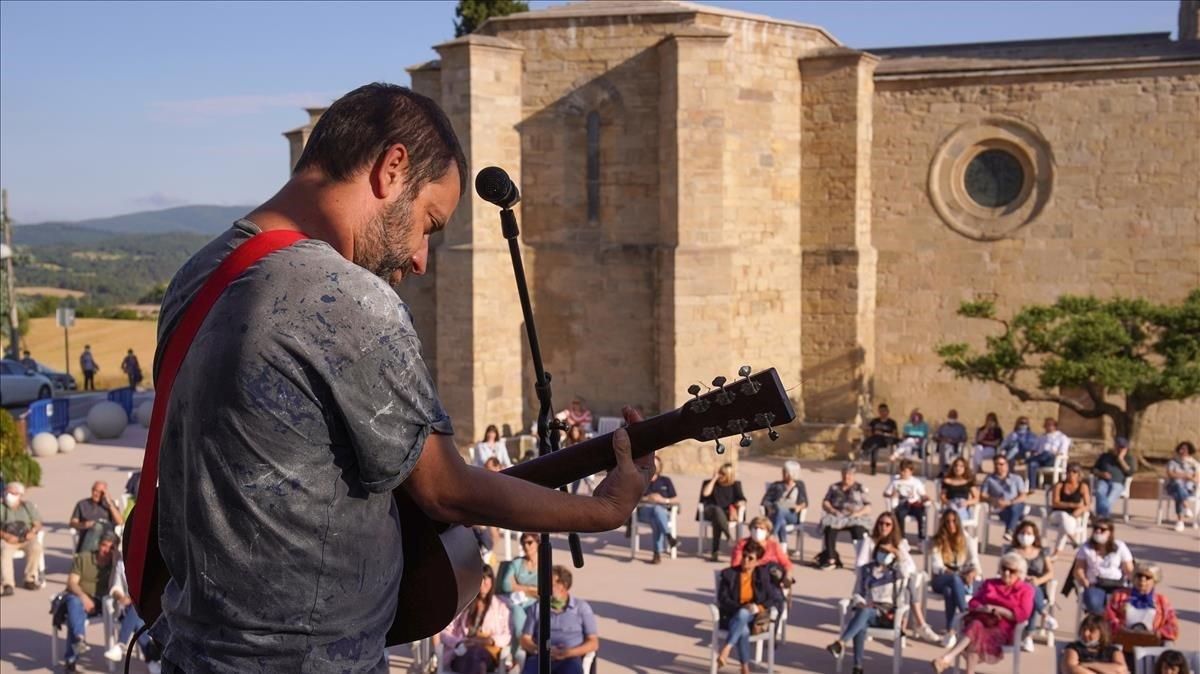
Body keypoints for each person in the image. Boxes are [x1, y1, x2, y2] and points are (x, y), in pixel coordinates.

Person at [143, 83, 653, 673]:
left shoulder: (199, 274)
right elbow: (445, 488)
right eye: (428, 224)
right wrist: (603, 510)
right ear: (392, 168)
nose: (419, 258)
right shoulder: (346, 299)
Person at [931, 552, 1035, 674]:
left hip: (1003, 629)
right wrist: (983, 608)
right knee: (976, 626)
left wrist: (1000, 610)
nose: (1007, 573)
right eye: (1004, 568)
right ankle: (957, 666)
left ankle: (947, 659)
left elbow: (1023, 614)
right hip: (982, 620)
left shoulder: (1026, 590)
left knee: (975, 629)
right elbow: (973, 603)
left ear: (1020, 573)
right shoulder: (990, 583)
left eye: (1011, 570)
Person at [852, 512, 939, 643]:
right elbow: (860, 565)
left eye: (888, 524)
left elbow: (911, 567)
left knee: (908, 579)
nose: (884, 527)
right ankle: (915, 625)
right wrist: (876, 568)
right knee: (908, 582)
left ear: (893, 527)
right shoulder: (870, 541)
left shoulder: (899, 543)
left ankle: (910, 625)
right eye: (881, 523)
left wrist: (895, 551)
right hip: (875, 580)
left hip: (894, 581)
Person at [826, 537, 908, 674]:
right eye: (881, 550)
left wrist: (896, 552)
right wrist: (859, 601)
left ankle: (842, 644)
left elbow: (907, 571)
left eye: (887, 551)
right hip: (866, 609)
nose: (883, 553)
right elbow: (857, 592)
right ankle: (857, 667)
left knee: (863, 615)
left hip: (885, 614)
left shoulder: (895, 572)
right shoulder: (866, 570)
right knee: (862, 616)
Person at [717, 540, 784, 674]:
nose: (745, 560)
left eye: (750, 558)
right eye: (744, 556)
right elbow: (723, 599)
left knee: (744, 617)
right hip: (731, 615)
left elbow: (775, 598)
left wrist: (758, 607)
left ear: (757, 561)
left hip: (754, 617)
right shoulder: (729, 574)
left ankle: (726, 649)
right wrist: (741, 608)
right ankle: (744, 668)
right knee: (743, 627)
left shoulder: (762, 575)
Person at [520, 565, 599, 674]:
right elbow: (525, 639)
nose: (545, 587)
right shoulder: (537, 607)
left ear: (564, 586)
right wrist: (539, 650)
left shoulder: (581, 608)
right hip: (541, 657)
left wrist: (568, 653)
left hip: (570, 658)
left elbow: (593, 642)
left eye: (550, 585)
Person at [62, 532, 119, 672]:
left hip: (101, 601)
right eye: (104, 545)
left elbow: (114, 587)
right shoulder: (83, 558)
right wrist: (83, 597)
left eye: (111, 548)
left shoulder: (115, 563)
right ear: (98, 545)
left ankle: (71, 658)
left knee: (74, 614)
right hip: (79, 596)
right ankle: (79, 639)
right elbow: (71, 583)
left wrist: (115, 563)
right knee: (74, 605)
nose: (106, 550)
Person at [440, 564, 511, 674]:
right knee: (471, 659)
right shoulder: (464, 604)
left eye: (488, 578)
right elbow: (445, 631)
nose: (485, 582)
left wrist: (490, 640)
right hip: (463, 651)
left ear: (492, 581)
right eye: (481, 578)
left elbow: (507, 635)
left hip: (486, 651)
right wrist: (460, 643)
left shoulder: (501, 606)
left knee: (476, 657)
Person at [1004, 519, 1057, 650]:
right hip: (1016, 586)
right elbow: (1004, 570)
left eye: (1029, 533)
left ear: (1034, 536)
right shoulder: (1012, 551)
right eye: (1022, 533)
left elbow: (1050, 573)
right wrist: (1020, 579)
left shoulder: (1042, 552)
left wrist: (1038, 580)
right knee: (1029, 589)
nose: (1025, 536)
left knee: (1032, 591)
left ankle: (1028, 636)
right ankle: (1043, 616)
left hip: (1037, 586)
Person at [1105, 562, 1179, 652]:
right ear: (1134, 577)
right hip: (1124, 638)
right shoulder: (1119, 596)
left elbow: (1172, 625)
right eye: (1139, 576)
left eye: (1147, 577)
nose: (1142, 580)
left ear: (1154, 580)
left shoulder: (1162, 601)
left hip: (1151, 639)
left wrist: (1159, 632)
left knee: (1169, 646)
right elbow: (1108, 617)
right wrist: (1119, 628)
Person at [929, 509, 980, 633]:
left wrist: (972, 573)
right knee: (954, 579)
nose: (951, 525)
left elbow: (974, 561)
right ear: (943, 524)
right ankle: (965, 612)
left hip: (958, 579)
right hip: (940, 579)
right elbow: (937, 566)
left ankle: (950, 629)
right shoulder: (938, 540)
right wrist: (956, 575)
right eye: (947, 522)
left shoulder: (966, 538)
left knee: (949, 591)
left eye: (953, 521)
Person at [815, 463, 872, 570]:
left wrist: (858, 513)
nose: (847, 477)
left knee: (859, 530)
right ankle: (831, 559)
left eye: (849, 474)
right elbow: (825, 502)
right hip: (838, 515)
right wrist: (832, 510)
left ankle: (861, 560)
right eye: (844, 474)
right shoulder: (834, 487)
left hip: (855, 516)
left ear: (854, 475)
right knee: (829, 527)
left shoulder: (860, 488)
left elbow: (868, 507)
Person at [1073, 517, 1134, 616]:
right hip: (1095, 584)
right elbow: (1078, 569)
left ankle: (1110, 623)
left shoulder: (1120, 546)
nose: (1098, 531)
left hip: (1116, 584)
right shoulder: (1086, 547)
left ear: (1110, 532)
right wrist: (1083, 580)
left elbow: (1129, 569)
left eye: (1102, 529)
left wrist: (1135, 583)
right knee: (1093, 602)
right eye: (1096, 528)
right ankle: (1103, 622)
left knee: (1124, 604)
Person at [498, 533, 540, 663]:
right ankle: (519, 657)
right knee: (519, 626)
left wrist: (518, 585)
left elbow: (546, 590)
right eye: (523, 543)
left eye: (530, 542)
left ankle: (531, 656)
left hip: (536, 604)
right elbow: (506, 585)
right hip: (518, 602)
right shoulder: (517, 563)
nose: (526, 546)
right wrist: (531, 589)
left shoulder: (545, 564)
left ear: (537, 543)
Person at [0, 481, 44, 594]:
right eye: (8, 492)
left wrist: (33, 532)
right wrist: (5, 535)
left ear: (20, 495)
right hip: (8, 539)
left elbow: (38, 523)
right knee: (4, 551)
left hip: (26, 538)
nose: (9, 495)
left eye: (13, 493)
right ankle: (8, 584)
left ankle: (30, 579)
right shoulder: (1, 507)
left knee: (36, 548)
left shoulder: (28, 506)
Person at [701, 462, 747, 562]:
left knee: (718, 519)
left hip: (725, 514)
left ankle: (715, 552)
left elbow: (742, 499)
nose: (720, 475)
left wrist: (740, 503)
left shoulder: (735, 485)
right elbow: (705, 494)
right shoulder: (711, 483)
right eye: (720, 472)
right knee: (717, 511)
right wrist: (714, 479)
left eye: (723, 473)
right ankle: (729, 537)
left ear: (729, 475)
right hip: (710, 510)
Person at [637, 455, 678, 563]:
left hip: (662, 511)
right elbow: (633, 499)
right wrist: (647, 498)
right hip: (644, 511)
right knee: (656, 511)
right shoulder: (641, 480)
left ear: (660, 467)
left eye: (656, 464)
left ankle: (657, 554)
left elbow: (676, 499)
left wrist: (663, 500)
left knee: (656, 517)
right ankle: (668, 536)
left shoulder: (666, 480)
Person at [1060, 613, 1129, 674]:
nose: (1086, 633)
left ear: (1101, 633)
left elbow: (1121, 669)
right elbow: (1071, 669)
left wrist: (1088, 665)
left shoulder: (1112, 650)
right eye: (1084, 629)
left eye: (1091, 630)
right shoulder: (1074, 648)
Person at [981, 455, 1028, 543]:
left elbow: (1023, 496)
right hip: (1001, 507)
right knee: (1013, 515)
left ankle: (1010, 531)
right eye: (996, 464)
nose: (999, 466)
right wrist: (994, 500)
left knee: (1015, 507)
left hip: (1015, 504)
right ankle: (1014, 536)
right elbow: (983, 495)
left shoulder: (1016, 478)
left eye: (1001, 464)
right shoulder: (989, 479)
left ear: (1007, 465)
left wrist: (1010, 502)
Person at [69, 480, 125, 553]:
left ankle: (84, 557)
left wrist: (110, 504)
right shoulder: (82, 504)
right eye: (94, 490)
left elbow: (120, 522)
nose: (96, 494)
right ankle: (87, 557)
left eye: (100, 492)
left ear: (105, 493)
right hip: (87, 535)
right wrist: (84, 524)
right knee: (96, 528)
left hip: (107, 536)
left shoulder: (110, 505)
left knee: (98, 527)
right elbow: (72, 523)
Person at [762, 460, 807, 549]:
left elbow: (805, 502)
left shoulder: (800, 485)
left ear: (792, 473)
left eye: (785, 471)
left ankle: (771, 537)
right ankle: (783, 547)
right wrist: (770, 508)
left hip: (792, 514)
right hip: (776, 513)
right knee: (780, 517)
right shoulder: (776, 485)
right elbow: (765, 501)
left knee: (780, 513)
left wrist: (799, 506)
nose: (783, 473)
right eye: (783, 471)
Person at [1049, 462, 1093, 552]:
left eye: (1074, 472)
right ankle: (1074, 539)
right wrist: (1073, 505)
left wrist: (1080, 510)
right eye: (1069, 471)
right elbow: (1055, 503)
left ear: (1078, 474)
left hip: (1073, 516)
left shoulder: (1083, 486)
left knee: (1065, 526)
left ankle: (1056, 554)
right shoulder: (1060, 485)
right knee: (1064, 516)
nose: (1071, 474)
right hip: (1057, 514)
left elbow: (1088, 505)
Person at [885, 459, 930, 540]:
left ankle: (921, 537)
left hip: (914, 504)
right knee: (900, 515)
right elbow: (885, 493)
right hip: (902, 504)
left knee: (921, 515)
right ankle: (901, 537)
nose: (902, 473)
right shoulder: (895, 482)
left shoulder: (916, 482)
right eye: (901, 470)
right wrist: (892, 495)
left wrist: (926, 498)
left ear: (911, 472)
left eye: (905, 471)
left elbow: (923, 494)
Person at [1093, 437, 1137, 518]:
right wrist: (1101, 473)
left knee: (1110, 498)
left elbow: (1130, 472)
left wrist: (1121, 459)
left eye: (1122, 448)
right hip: (1104, 480)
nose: (1120, 449)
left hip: (1118, 483)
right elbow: (1094, 469)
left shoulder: (1129, 458)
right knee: (1099, 491)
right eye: (1118, 447)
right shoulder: (1105, 456)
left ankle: (1101, 516)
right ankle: (1104, 517)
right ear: (1114, 446)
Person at [1023, 418, 1071, 487]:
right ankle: (1031, 487)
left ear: (1054, 426)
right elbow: (1033, 449)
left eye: (1049, 425)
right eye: (1045, 425)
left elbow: (1062, 452)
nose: (1046, 427)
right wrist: (1034, 453)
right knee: (1032, 464)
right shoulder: (1041, 437)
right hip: (1039, 459)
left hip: (1053, 460)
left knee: (1047, 453)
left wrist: (1054, 453)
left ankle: (1026, 460)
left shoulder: (1062, 437)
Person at [1164, 441, 1198, 531]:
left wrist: (1182, 475)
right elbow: (1170, 474)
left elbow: (1197, 478)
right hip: (1173, 486)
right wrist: (1185, 475)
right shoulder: (1173, 461)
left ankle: (1180, 522)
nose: (1182, 451)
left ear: (1189, 451)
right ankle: (1186, 507)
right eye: (1181, 449)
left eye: (1185, 449)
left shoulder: (1195, 464)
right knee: (1178, 485)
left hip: (1188, 488)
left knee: (1178, 492)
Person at [939, 457, 980, 525]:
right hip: (951, 503)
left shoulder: (968, 481)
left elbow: (976, 498)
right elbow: (942, 496)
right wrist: (948, 502)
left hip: (962, 505)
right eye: (956, 465)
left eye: (961, 466)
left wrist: (966, 503)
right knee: (952, 509)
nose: (958, 468)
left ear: (965, 468)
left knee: (957, 513)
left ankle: (954, 531)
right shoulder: (947, 481)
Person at [860, 403, 899, 476]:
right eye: (881, 411)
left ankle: (866, 452)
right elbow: (868, 431)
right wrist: (872, 433)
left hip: (886, 441)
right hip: (875, 440)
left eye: (884, 411)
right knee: (875, 445)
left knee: (875, 442)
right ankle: (873, 468)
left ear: (888, 412)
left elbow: (894, 435)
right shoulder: (874, 421)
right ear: (879, 412)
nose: (882, 413)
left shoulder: (892, 422)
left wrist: (883, 434)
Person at [933, 410, 968, 474]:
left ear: (956, 417)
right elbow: (935, 437)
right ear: (948, 416)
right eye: (950, 416)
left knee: (946, 447)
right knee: (945, 446)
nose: (952, 418)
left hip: (955, 446)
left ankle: (944, 469)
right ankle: (944, 468)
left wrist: (955, 440)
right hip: (943, 445)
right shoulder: (943, 426)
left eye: (953, 416)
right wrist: (942, 439)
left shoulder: (960, 427)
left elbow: (965, 438)